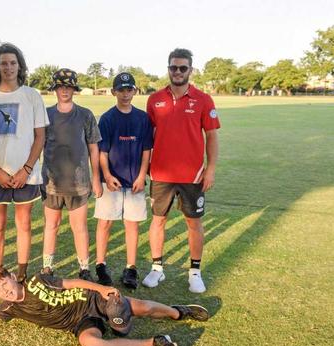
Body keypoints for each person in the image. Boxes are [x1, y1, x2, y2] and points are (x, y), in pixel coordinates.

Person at [0, 266, 209, 346]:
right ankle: (156, 343)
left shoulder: (36, 280)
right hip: (82, 322)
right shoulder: (10, 308)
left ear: (12, 277)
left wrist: (102, 289)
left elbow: (71, 283)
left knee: (141, 308)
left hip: (92, 299)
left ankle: (178, 312)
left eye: (4, 284)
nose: (4, 291)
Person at [144, 48, 220, 293]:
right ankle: (157, 269)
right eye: (173, 67)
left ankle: (195, 272)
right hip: (161, 173)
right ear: (168, 69)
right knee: (158, 221)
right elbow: (149, 136)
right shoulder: (155, 99)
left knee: (194, 223)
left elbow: (211, 136)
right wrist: (146, 167)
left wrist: (210, 169)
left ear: (190, 70)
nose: (177, 72)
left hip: (192, 174)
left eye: (182, 68)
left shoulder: (203, 99)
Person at [0, 43, 48, 282]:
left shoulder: (32, 96)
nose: (8, 67)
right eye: (3, 63)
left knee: (24, 223)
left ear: (20, 66)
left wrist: (26, 169)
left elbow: (40, 137)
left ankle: (21, 274)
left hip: (25, 173)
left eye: (12, 63)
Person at [40, 68, 102, 281]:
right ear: (55, 89)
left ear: (74, 89)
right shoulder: (46, 115)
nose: (64, 90)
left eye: (68, 87)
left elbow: (94, 147)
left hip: (79, 183)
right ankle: (47, 267)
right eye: (60, 87)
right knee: (51, 225)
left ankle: (84, 269)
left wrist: (96, 178)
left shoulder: (85, 115)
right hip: (51, 182)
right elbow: (37, 145)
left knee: (80, 227)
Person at [94, 72, 153, 289]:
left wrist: (141, 176)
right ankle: (101, 265)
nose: (125, 94)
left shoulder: (142, 118)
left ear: (135, 91)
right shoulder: (108, 118)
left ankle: (131, 268)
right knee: (105, 222)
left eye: (129, 90)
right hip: (111, 181)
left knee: (132, 224)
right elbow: (103, 152)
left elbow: (147, 150)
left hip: (135, 181)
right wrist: (107, 176)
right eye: (121, 90)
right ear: (114, 92)